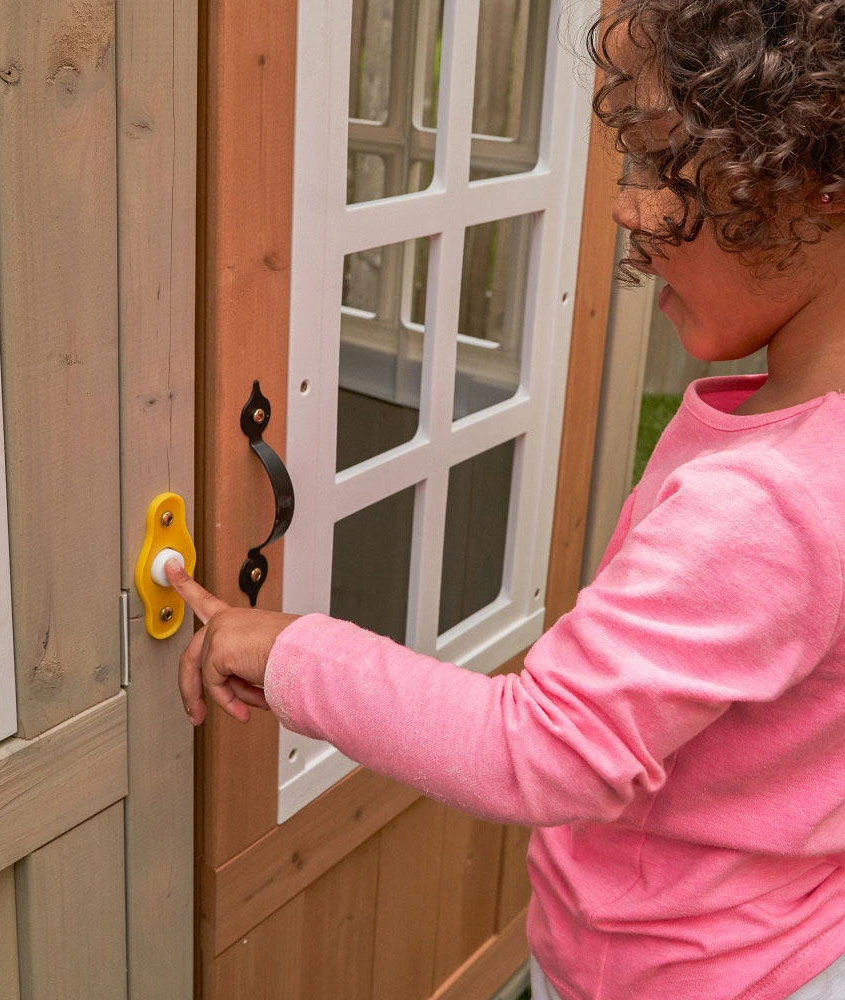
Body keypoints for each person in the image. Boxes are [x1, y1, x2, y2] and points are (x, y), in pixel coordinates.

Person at [169, 1, 845, 997]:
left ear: (820, 185)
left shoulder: (768, 503)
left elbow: (541, 743)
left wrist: (288, 650)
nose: (627, 204)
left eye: (664, 163)